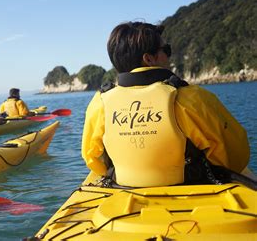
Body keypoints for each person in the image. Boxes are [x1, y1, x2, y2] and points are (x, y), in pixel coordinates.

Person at [82, 22, 250, 188]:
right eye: (166, 50)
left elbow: (92, 159)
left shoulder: (101, 101)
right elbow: (235, 156)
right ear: (148, 59)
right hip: (191, 189)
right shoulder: (190, 97)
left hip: (124, 189)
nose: (169, 56)